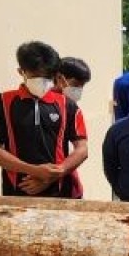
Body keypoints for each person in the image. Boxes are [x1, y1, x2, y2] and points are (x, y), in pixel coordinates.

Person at [0, 41, 89, 198]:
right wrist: (33, 170)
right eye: (36, 75)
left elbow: (82, 149)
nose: (42, 80)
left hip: (60, 193)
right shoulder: (1, 103)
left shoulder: (68, 105)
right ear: (21, 72)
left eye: (47, 76)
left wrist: (57, 173)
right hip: (17, 192)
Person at [52, 56, 92, 198]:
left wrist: (53, 175)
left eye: (82, 86)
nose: (79, 90)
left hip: (63, 182)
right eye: (75, 84)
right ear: (59, 78)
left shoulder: (71, 108)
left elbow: (82, 150)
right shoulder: (35, 105)